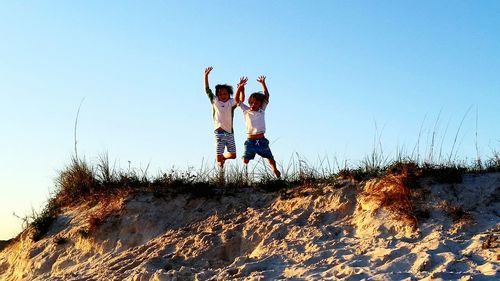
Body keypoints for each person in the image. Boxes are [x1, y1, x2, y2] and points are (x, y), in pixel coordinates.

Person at [235, 75, 281, 178]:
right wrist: (240, 87)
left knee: (270, 158)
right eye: (251, 103)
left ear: (260, 104)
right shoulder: (246, 110)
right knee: (246, 160)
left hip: (261, 140)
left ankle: (275, 169)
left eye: (256, 103)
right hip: (250, 141)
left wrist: (263, 83)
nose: (253, 105)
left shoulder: (262, 110)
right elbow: (237, 100)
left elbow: (267, 96)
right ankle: (245, 173)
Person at [204, 66, 239, 168]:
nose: (223, 95)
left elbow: (240, 99)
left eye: (225, 94)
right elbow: (207, 90)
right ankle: (221, 168)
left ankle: (223, 158)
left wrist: (241, 88)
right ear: (217, 95)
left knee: (233, 155)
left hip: (229, 133)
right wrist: (206, 76)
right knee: (218, 158)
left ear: (229, 94)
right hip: (219, 133)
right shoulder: (215, 101)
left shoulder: (231, 102)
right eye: (220, 94)